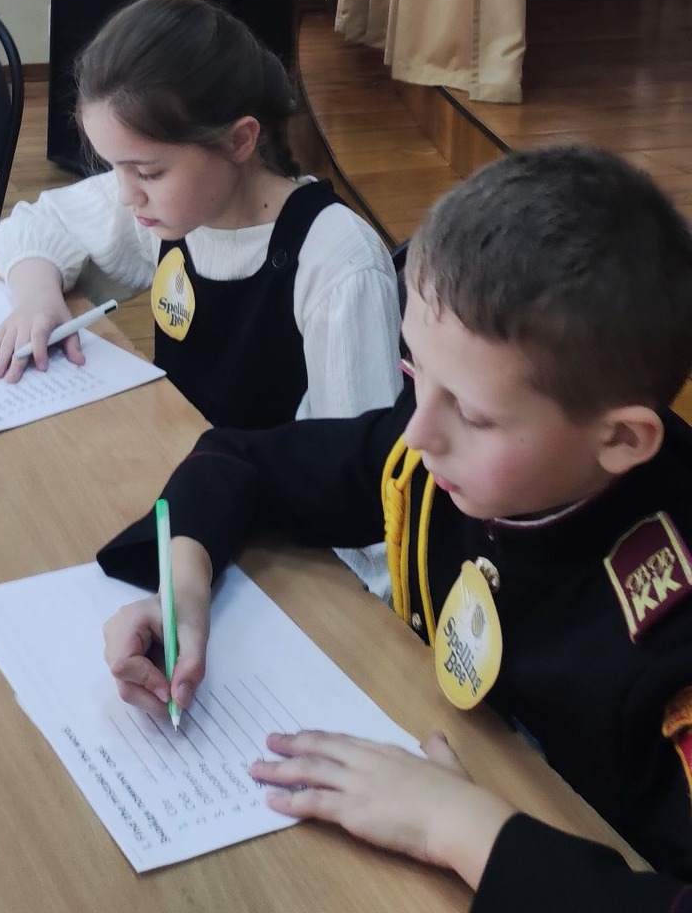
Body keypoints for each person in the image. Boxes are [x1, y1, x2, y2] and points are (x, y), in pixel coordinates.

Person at [98, 147, 692, 909]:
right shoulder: (453, 453)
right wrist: (183, 582)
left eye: (471, 411)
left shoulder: (670, 638)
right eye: (415, 370)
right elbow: (244, 460)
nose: (416, 433)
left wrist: (460, 827)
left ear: (621, 439)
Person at [0, 0, 401, 594]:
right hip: (190, 504)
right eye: (113, 167)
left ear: (239, 141)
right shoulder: (175, 208)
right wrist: (36, 295)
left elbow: (363, 490)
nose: (126, 194)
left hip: (282, 555)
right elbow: (32, 226)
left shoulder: (335, 261)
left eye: (147, 172)